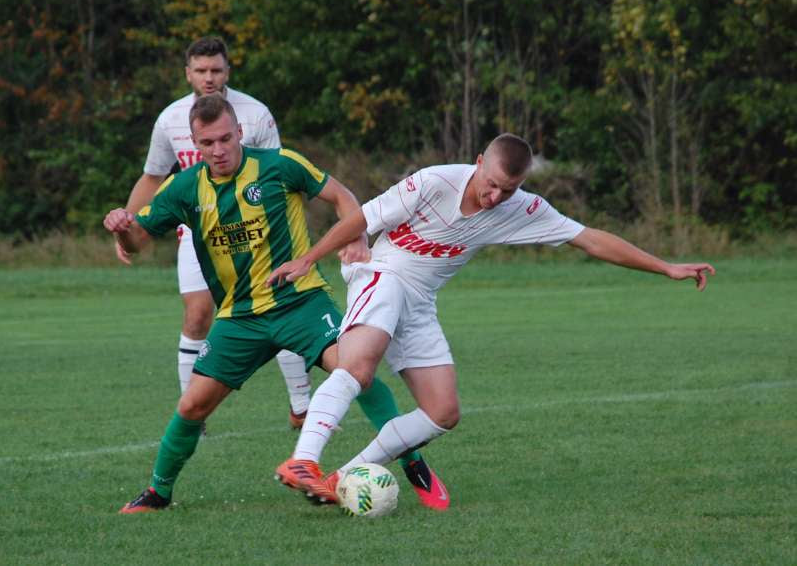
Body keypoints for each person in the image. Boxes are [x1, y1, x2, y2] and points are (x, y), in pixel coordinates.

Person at [271, 133, 716, 504]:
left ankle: (341, 479)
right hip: (383, 272)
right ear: (479, 162)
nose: (497, 196)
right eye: (493, 184)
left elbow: (591, 240)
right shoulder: (434, 181)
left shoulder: (520, 208)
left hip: (421, 298)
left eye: (509, 188)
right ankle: (303, 458)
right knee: (359, 366)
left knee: (443, 412)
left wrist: (666, 267)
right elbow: (362, 218)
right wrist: (310, 258)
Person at [106, 94, 448, 513]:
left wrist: (357, 234)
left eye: (225, 139)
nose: (218, 150)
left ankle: (414, 463)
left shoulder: (279, 164)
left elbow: (342, 197)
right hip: (240, 317)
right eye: (207, 143)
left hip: (300, 302)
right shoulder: (184, 188)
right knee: (192, 404)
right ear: (196, 145)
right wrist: (122, 227)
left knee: (355, 369)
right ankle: (158, 493)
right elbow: (137, 240)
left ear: (239, 133)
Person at [119, 36, 311, 428]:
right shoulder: (171, 118)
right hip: (199, 233)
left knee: (278, 309)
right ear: (188, 72)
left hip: (258, 233)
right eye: (201, 70)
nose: (209, 78)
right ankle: (193, 412)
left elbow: (279, 175)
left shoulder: (255, 114)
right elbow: (153, 177)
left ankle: (301, 406)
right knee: (197, 315)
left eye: (216, 70)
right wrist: (128, 221)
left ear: (228, 71)